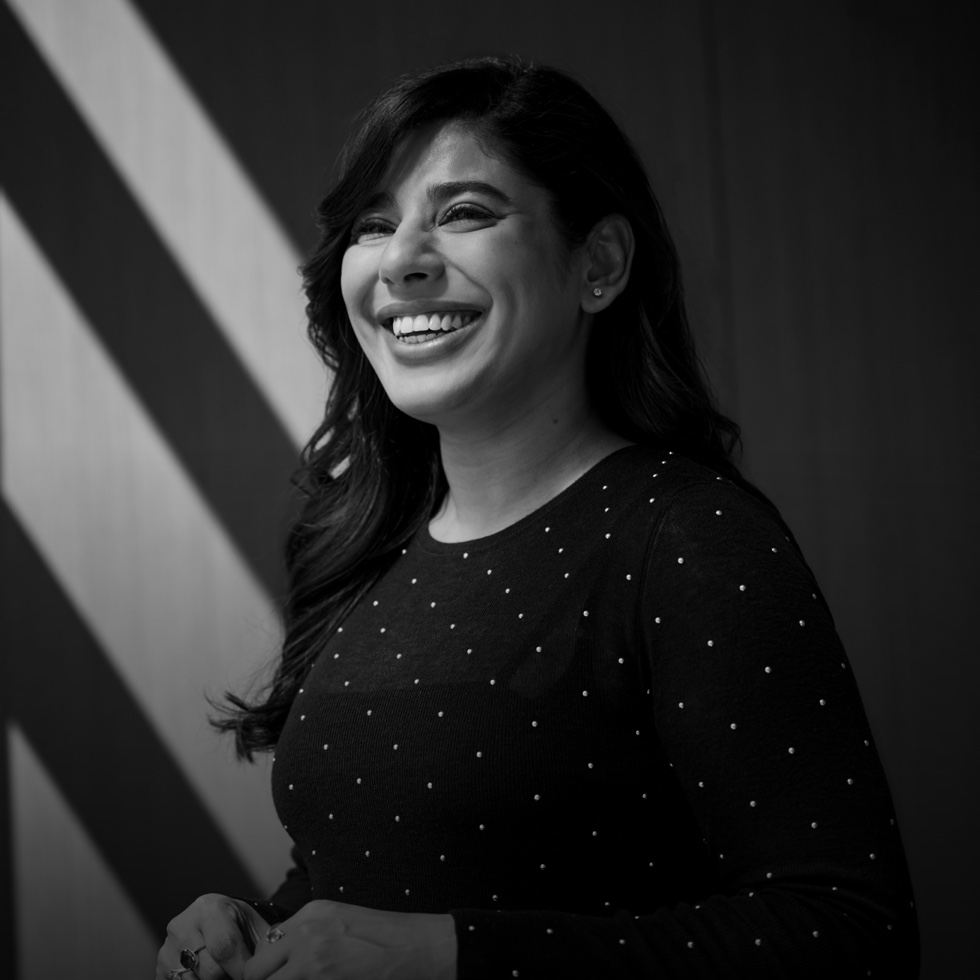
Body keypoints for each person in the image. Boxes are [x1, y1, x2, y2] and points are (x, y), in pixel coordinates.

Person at [156, 57, 918, 980]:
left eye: (466, 213)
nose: (403, 259)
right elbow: (373, 882)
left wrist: (453, 955)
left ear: (598, 264)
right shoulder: (369, 550)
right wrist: (261, 926)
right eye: (375, 225)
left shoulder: (688, 536)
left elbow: (850, 933)